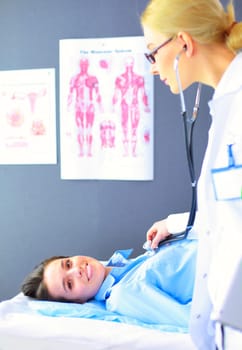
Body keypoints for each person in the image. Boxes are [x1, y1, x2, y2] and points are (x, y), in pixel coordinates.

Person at [140, 0, 242, 349]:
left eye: (151, 53)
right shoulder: (226, 106)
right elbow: (229, 214)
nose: (152, 68)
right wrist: (177, 223)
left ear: (184, 42)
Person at [21, 239, 197, 332]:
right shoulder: (124, 295)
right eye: (69, 284)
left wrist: (173, 227)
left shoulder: (128, 266)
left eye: (68, 264)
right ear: (78, 301)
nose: (76, 271)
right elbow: (192, 320)